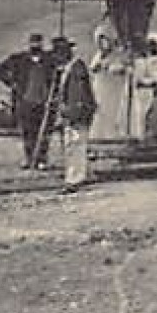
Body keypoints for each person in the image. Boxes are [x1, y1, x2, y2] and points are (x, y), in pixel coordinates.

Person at [0, 33, 56, 169]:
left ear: (42, 44)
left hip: (45, 102)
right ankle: (29, 158)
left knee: (44, 131)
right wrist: (12, 83)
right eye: (33, 43)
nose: (35, 46)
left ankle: (42, 159)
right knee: (28, 132)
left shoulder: (49, 60)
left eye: (38, 43)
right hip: (26, 101)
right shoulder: (19, 59)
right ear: (29, 44)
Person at [56, 36, 96, 194]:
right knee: (74, 146)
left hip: (77, 113)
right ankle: (79, 174)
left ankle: (75, 179)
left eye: (60, 52)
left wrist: (72, 113)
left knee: (75, 146)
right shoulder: (68, 68)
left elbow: (78, 95)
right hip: (73, 113)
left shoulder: (76, 68)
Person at [87, 25, 129, 143]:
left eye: (105, 40)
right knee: (100, 111)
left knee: (112, 111)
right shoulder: (98, 55)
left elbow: (122, 69)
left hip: (113, 88)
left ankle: (111, 134)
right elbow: (93, 68)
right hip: (100, 87)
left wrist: (112, 68)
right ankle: (99, 135)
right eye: (101, 41)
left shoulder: (118, 55)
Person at [131, 34, 157, 139]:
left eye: (154, 44)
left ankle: (152, 136)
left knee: (152, 115)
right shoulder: (143, 60)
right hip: (141, 92)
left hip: (153, 91)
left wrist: (147, 81)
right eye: (150, 44)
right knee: (140, 114)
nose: (151, 47)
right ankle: (140, 136)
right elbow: (138, 76)